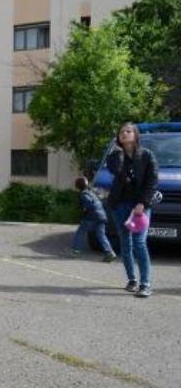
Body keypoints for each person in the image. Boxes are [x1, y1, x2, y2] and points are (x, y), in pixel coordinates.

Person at [106, 122, 158, 298]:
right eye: (121, 132)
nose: (124, 134)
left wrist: (142, 203)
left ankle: (145, 284)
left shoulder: (147, 155)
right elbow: (115, 170)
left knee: (139, 243)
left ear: (136, 135)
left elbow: (152, 182)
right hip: (119, 205)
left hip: (140, 206)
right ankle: (132, 280)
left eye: (128, 131)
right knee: (125, 244)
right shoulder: (115, 156)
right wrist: (117, 152)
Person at [68, 176, 117, 262]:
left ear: (77, 186)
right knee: (101, 235)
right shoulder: (91, 192)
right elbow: (99, 201)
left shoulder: (83, 194)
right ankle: (109, 252)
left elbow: (89, 204)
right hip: (102, 216)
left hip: (91, 217)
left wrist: (85, 210)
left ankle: (75, 250)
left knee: (80, 232)